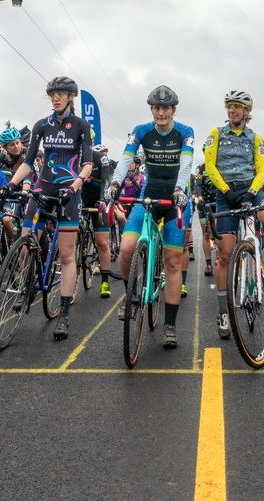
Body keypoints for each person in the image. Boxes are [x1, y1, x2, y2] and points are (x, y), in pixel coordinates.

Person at [104, 85, 194, 348]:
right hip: (149, 193)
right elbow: (124, 159)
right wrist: (115, 184)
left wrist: (179, 190)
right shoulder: (141, 130)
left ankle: (170, 324)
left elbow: (187, 163)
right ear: (152, 110)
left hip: (175, 196)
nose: (161, 112)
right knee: (127, 247)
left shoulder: (185, 132)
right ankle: (131, 295)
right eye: (156, 108)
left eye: (166, 108)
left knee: (173, 261)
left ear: (173, 110)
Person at [9, 76, 95, 341]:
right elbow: (28, 160)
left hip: (69, 193)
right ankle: (26, 284)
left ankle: (64, 314)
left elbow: (88, 163)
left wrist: (77, 184)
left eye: (60, 94)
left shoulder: (81, 126)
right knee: (25, 243)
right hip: (42, 189)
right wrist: (11, 183)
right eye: (52, 94)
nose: (55, 98)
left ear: (71, 97)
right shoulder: (41, 125)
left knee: (67, 256)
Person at [204, 89, 264, 339]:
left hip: (251, 190)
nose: (232, 110)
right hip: (225, 194)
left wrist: (251, 192)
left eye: (237, 106)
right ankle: (223, 312)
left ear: (247, 111)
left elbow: (261, 171)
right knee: (225, 255)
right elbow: (209, 167)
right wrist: (227, 191)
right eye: (229, 106)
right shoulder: (216, 134)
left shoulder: (256, 139)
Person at [78, 142, 117, 299]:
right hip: (82, 198)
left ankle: (105, 282)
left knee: (102, 243)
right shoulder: (73, 157)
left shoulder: (101, 159)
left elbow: (107, 182)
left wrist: (102, 200)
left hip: (99, 200)